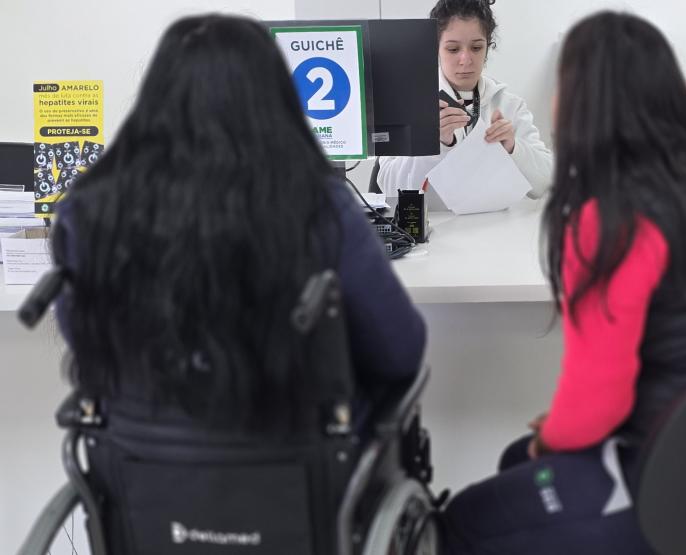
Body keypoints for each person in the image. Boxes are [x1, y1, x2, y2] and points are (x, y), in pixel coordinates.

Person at [441, 11, 686, 554]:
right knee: (520, 461)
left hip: (666, 480)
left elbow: (598, 403)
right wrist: (556, 433)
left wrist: (553, 436)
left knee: (460, 522)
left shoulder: (613, 217)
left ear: (583, 103)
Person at [51, 14, 426, 436]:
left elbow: (84, 338)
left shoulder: (89, 211)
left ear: (154, 99)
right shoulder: (320, 207)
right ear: (276, 101)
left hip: (135, 464)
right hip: (297, 462)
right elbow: (400, 351)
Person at [376, 0, 553, 200]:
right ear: (435, 48)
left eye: (476, 48)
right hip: (434, 220)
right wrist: (435, 144)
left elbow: (544, 183)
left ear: (488, 47)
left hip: (493, 219)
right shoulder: (409, 104)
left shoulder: (509, 106)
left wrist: (513, 148)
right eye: (453, 49)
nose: (466, 60)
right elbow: (389, 187)